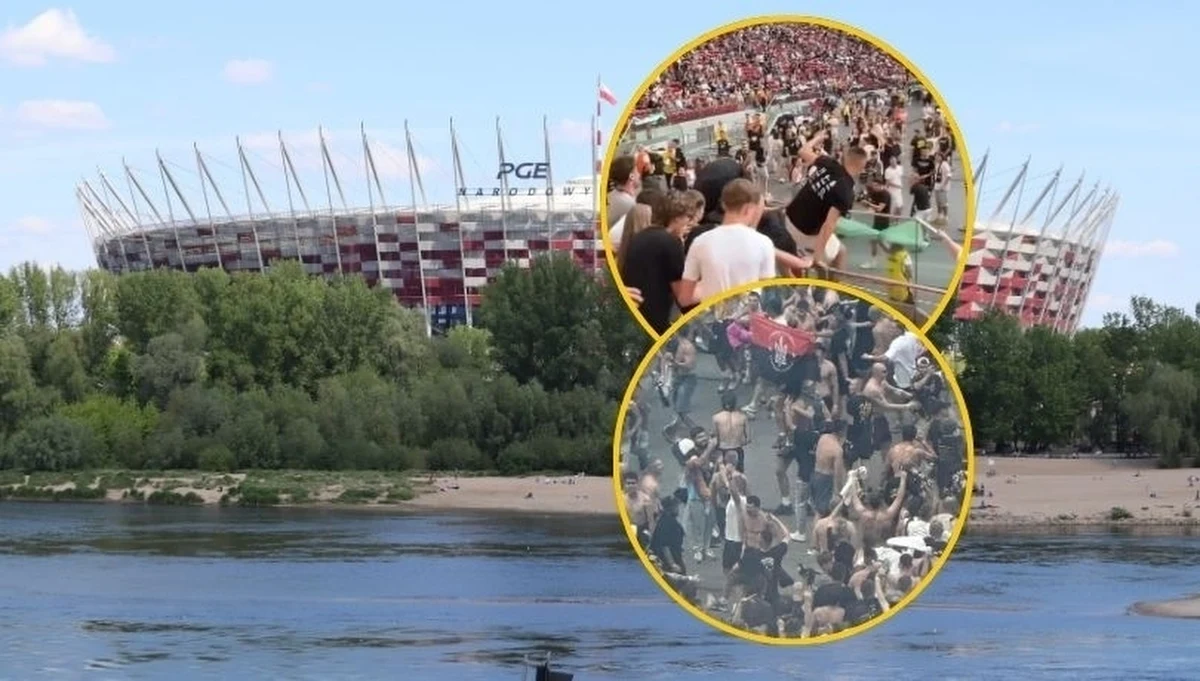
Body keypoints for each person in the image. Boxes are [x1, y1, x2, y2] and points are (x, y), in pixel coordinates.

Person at [678, 179, 775, 307]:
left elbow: (684, 298)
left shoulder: (700, 242)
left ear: (724, 205)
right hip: (747, 316)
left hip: (712, 316)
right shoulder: (764, 243)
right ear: (748, 208)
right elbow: (768, 294)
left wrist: (709, 288)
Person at [784, 130, 867, 271]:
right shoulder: (846, 192)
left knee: (827, 248)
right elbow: (828, 226)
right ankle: (831, 284)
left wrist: (817, 138)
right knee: (841, 252)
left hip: (789, 217)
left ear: (846, 158)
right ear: (861, 168)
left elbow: (803, 151)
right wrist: (817, 258)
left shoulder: (830, 163)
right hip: (804, 231)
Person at [607, 155, 640, 229]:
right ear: (631, 176)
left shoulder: (612, 195)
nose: (639, 174)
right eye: (637, 171)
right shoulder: (629, 204)